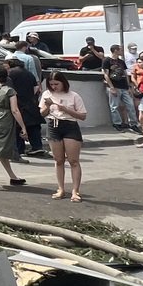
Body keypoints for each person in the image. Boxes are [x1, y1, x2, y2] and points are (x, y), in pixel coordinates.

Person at [41, 72, 88, 200]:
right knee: (58, 160)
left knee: (73, 160)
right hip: (53, 125)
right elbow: (42, 113)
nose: (54, 87)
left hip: (70, 125)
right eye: (51, 84)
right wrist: (48, 105)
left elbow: (83, 115)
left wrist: (65, 109)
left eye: (56, 84)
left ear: (63, 83)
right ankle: (60, 188)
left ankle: (75, 191)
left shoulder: (73, 96)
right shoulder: (47, 94)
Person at [6, 54, 43, 157]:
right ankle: (37, 147)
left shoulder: (10, 74)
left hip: (17, 102)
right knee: (33, 126)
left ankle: (19, 149)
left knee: (17, 126)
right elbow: (36, 88)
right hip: (31, 102)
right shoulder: (29, 73)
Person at [101, 44, 138, 133]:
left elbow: (125, 74)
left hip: (123, 86)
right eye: (120, 49)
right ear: (115, 50)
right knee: (114, 106)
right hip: (114, 86)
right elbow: (106, 74)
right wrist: (112, 87)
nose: (121, 51)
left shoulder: (121, 61)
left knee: (130, 105)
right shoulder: (107, 60)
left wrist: (128, 86)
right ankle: (117, 123)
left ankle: (133, 124)